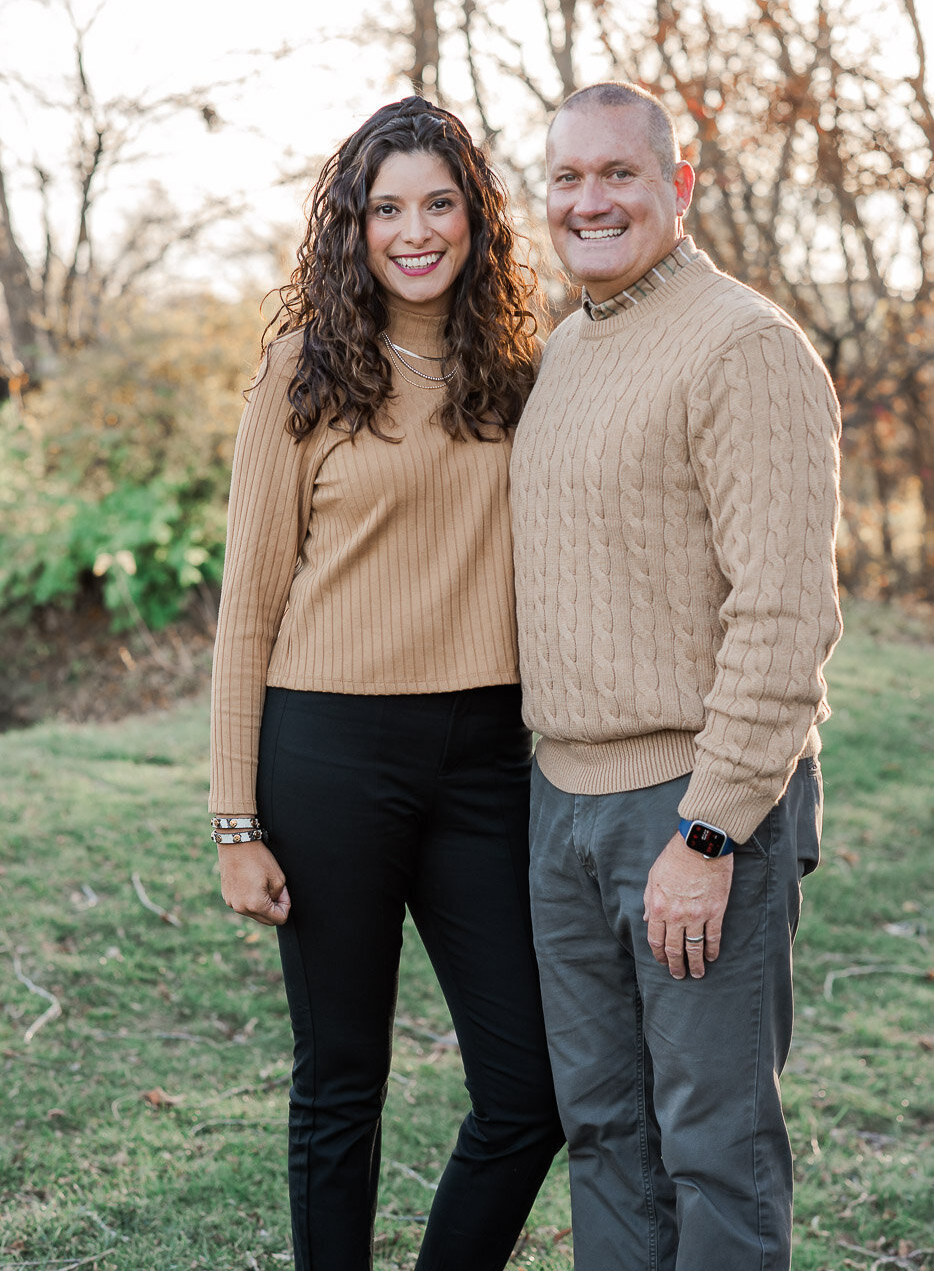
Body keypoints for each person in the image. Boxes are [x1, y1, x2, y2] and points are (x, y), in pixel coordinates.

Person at [209, 95, 564, 1271]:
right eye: (386, 207)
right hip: (327, 758)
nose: (414, 231)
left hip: (485, 759)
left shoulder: (520, 368)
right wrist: (234, 820)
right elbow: (247, 608)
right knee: (341, 1081)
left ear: (475, 218)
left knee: (530, 1089)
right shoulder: (302, 376)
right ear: (352, 226)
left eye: (439, 203)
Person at [510, 81, 842, 1271]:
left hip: (693, 811)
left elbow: (785, 609)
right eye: (565, 177)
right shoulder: (560, 351)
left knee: (714, 1145)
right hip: (563, 810)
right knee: (603, 1133)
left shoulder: (742, 344)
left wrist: (707, 834)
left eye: (618, 175)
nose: (588, 200)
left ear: (678, 184)